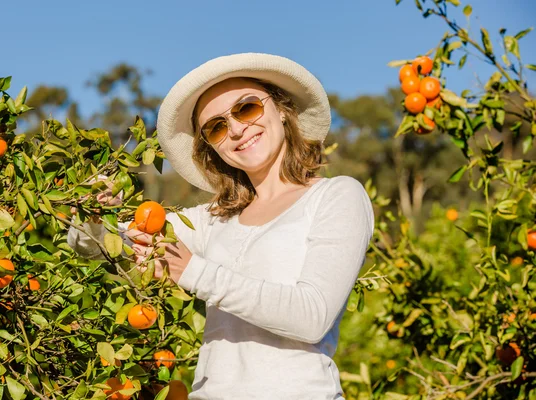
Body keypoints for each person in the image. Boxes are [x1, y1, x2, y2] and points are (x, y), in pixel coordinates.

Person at [67, 52, 374, 400]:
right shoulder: (212, 220)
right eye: (216, 127)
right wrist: (93, 212)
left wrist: (193, 272)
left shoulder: (336, 196)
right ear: (212, 148)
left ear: (282, 109)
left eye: (247, 108)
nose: (238, 129)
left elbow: (312, 316)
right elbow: (95, 243)